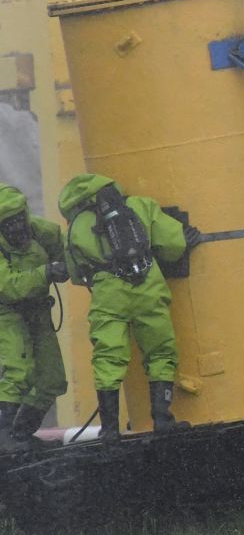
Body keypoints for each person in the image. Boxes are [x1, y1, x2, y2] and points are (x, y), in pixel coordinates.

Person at [57, 173, 190, 440]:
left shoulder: (75, 226)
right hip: (148, 286)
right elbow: (174, 245)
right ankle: (163, 419)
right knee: (160, 351)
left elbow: (76, 273)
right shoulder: (140, 205)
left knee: (108, 357)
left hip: (108, 294)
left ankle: (108, 429)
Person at [0, 185, 66, 458]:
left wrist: (65, 266)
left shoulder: (42, 231)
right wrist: (47, 272)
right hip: (7, 313)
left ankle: (21, 434)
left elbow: (63, 248)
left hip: (38, 310)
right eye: (8, 224)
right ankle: (5, 440)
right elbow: (8, 287)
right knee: (18, 371)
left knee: (52, 378)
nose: (16, 228)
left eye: (19, 220)